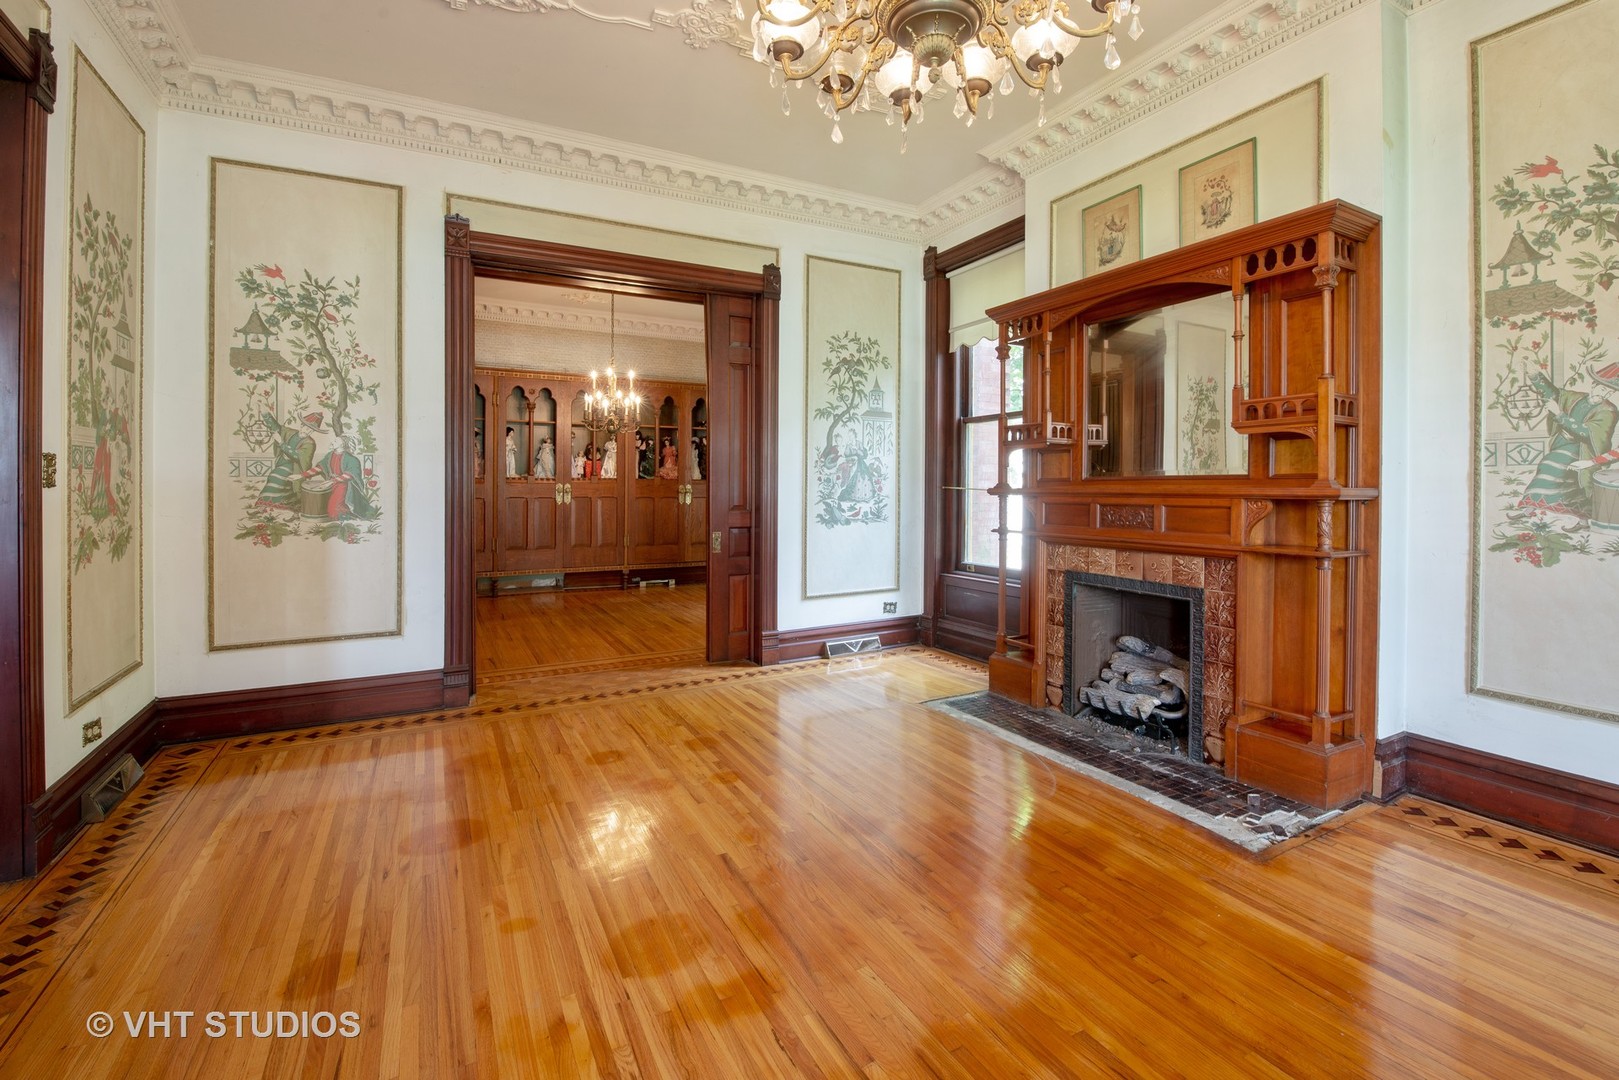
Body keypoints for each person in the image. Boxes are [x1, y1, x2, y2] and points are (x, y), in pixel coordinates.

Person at [1519, 365, 1619, 518]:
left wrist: (1559, 414)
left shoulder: (1609, 411)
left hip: (1584, 450)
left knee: (1550, 464)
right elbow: (1553, 394)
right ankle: (1533, 505)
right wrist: (1535, 376)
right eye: (1603, 389)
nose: (1605, 393)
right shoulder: (1575, 397)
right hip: (1562, 443)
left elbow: (1586, 433)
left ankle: (1532, 504)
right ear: (1594, 385)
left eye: (1609, 391)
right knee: (1565, 477)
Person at [257, 411, 320, 511]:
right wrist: (265, 414)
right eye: (307, 428)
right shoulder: (290, 432)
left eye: (311, 431)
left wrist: (281, 442)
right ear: (302, 425)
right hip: (282, 462)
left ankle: (265, 502)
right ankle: (278, 500)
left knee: (275, 475)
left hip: (295, 467)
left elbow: (296, 456)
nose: (308, 432)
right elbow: (276, 428)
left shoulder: (310, 443)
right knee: (277, 475)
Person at [309, 434, 380, 521]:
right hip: (332, 483)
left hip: (344, 486)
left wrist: (332, 481)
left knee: (333, 511)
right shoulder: (330, 455)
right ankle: (345, 515)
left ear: (342, 445)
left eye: (335, 441)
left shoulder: (351, 459)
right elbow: (321, 467)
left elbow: (350, 474)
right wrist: (302, 475)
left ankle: (348, 519)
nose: (332, 442)